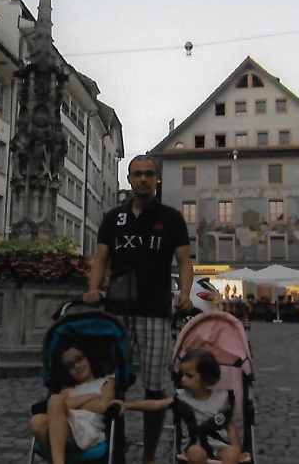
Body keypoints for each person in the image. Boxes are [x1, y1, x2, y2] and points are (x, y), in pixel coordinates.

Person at [84, 155, 194, 464]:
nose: (143, 179)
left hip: (156, 310)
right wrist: (94, 288)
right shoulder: (113, 217)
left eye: (149, 174)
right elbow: (101, 259)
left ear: (157, 178)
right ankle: (112, 449)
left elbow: (185, 262)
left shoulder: (171, 218)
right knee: (111, 382)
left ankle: (148, 456)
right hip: (117, 312)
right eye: (137, 174)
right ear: (129, 179)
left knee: (154, 388)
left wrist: (184, 294)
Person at [112, 349, 246, 464]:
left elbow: (229, 426)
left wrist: (237, 449)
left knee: (232, 453)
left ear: (206, 377)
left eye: (189, 375)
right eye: (182, 375)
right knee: (195, 453)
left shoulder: (222, 398)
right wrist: (128, 405)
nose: (183, 379)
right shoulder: (182, 398)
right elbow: (155, 404)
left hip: (219, 443)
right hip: (194, 443)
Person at [29, 341, 116, 464]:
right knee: (37, 421)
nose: (77, 366)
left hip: (88, 429)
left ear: (88, 357)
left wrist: (71, 404)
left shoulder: (106, 382)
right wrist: (91, 396)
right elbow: (57, 408)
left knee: (55, 400)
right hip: (65, 428)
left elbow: (103, 406)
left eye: (79, 359)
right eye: (70, 365)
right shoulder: (68, 390)